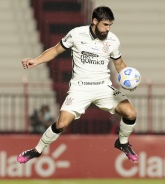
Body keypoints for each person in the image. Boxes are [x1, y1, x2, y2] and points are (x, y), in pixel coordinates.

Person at [17, 6, 139, 163]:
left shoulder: (113, 40)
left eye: (110, 25)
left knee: (131, 113)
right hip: (80, 88)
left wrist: (129, 80)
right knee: (62, 123)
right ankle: (37, 150)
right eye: (105, 25)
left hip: (103, 87)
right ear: (94, 21)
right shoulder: (76, 34)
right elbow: (55, 50)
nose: (108, 29)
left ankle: (122, 143)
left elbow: (120, 64)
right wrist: (36, 60)